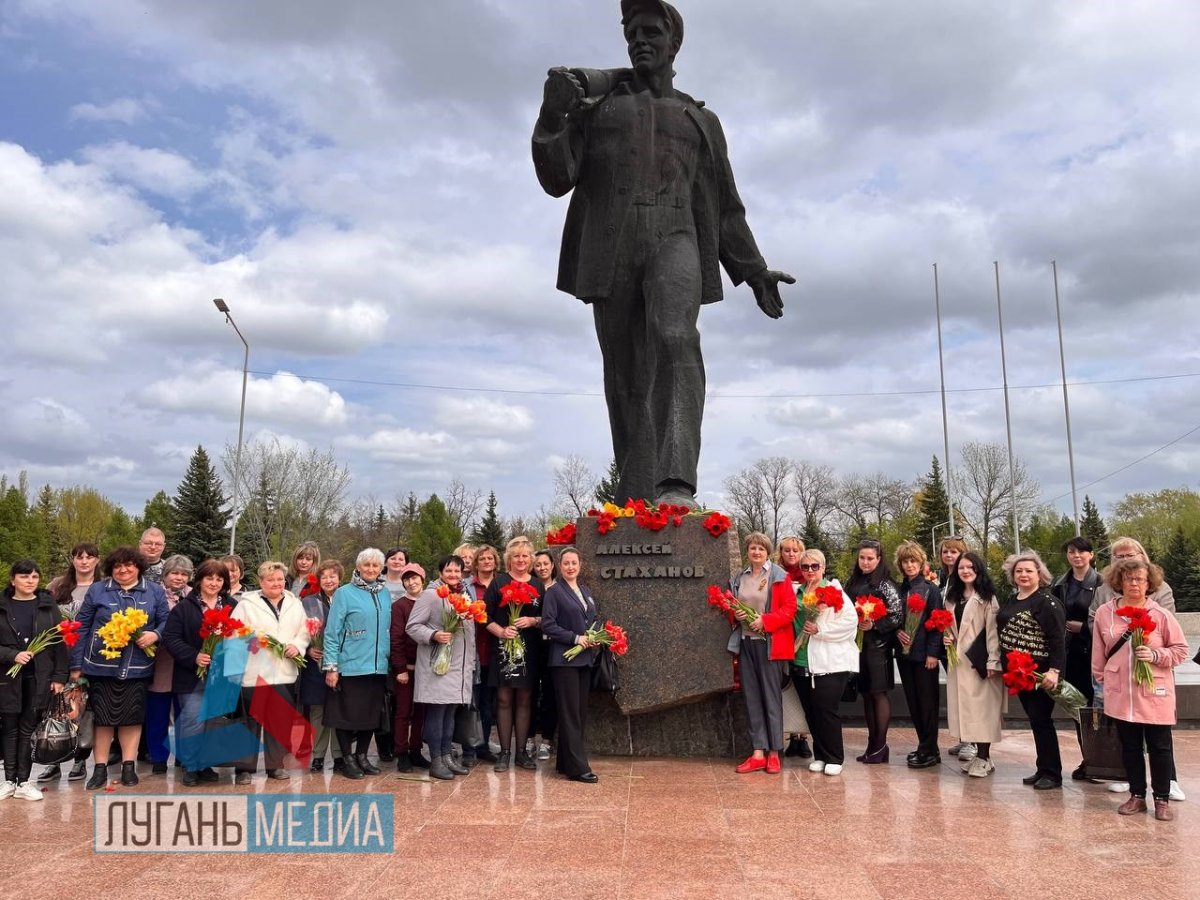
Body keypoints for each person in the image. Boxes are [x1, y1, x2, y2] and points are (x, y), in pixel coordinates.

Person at [532, 0, 793, 506]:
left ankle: (675, 484)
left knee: (674, 338)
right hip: (611, 247)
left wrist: (753, 269)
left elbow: (724, 207)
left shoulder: (701, 120)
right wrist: (552, 113)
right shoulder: (598, 108)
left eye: (651, 32)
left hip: (677, 240)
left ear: (674, 43)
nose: (640, 41)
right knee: (625, 376)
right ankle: (635, 499)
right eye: (632, 33)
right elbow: (556, 176)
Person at [1087, 536, 1185, 802]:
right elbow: (1098, 643)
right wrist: (1102, 680)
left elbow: (1177, 643)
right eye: (1119, 557)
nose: (1133, 582)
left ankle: (1165, 790)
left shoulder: (1159, 602)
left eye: (1139, 579)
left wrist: (1154, 653)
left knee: (1158, 742)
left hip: (1152, 680)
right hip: (1120, 683)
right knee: (1128, 742)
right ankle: (1135, 791)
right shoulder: (1105, 603)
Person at [70, 546, 170, 790]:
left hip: (137, 666)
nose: (123, 570)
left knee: (132, 718)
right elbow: (81, 627)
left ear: (138, 567)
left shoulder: (154, 591)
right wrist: (76, 665)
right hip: (101, 666)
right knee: (102, 720)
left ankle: (128, 766)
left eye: (129, 565)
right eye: (117, 566)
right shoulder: (98, 589)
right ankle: (100, 769)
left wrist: (154, 634)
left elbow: (167, 621)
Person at [161, 558, 237, 787]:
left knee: (213, 722)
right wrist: (194, 656)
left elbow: (244, 635)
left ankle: (205, 765)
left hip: (222, 677)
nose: (214, 583)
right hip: (191, 677)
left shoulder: (232, 605)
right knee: (193, 721)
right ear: (199, 580)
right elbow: (171, 639)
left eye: (219, 579)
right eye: (209, 578)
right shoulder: (185, 607)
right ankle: (191, 765)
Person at [233, 560, 308, 784]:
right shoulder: (247, 603)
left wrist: (298, 646)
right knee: (250, 721)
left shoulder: (295, 603)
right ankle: (244, 768)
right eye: (270, 579)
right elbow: (234, 631)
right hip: (254, 670)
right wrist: (251, 642)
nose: (276, 583)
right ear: (261, 582)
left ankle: (275, 765)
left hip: (284, 669)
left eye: (279, 579)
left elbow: (303, 631)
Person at [728, 532, 797, 775]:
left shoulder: (779, 576)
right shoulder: (739, 577)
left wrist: (765, 621)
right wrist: (734, 615)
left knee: (771, 699)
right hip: (746, 644)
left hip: (770, 645)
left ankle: (775, 752)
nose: (756, 552)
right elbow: (733, 606)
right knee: (752, 698)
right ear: (747, 551)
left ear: (768, 551)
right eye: (752, 548)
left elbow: (790, 609)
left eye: (761, 548)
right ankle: (758, 751)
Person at [0, 560, 69, 801]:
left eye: (34, 577)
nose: (30, 581)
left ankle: (24, 782)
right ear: (13, 580)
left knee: (28, 728)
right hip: (7, 677)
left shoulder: (47, 606)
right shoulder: (2, 605)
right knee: (9, 728)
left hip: (39, 676)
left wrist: (60, 677)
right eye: (24, 576)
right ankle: (8, 780)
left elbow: (59, 642)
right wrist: (11, 655)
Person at [999, 550, 1067, 790]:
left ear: (1039, 574)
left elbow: (1058, 639)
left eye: (1029, 570)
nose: (1024, 575)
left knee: (1042, 720)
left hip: (1041, 674)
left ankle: (1052, 773)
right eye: (1019, 571)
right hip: (1019, 675)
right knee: (1036, 721)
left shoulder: (1047, 602)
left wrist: (1055, 671)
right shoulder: (1012, 599)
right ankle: (1043, 768)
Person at [407, 555, 478, 781]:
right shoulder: (431, 595)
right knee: (437, 713)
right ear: (440, 572)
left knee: (449, 713)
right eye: (449, 571)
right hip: (438, 665)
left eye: (457, 571)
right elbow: (413, 626)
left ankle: (447, 756)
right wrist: (434, 635)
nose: (453, 575)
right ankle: (436, 759)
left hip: (458, 667)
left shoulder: (463, 596)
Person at [323, 549, 392, 780]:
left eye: (375, 565)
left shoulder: (384, 593)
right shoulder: (344, 593)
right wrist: (331, 666)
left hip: (377, 666)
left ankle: (362, 756)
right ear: (358, 567)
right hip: (351, 665)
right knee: (346, 714)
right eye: (367, 565)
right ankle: (348, 758)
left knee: (371, 715)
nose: (371, 569)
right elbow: (332, 632)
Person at [791, 550, 856, 777]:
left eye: (814, 566)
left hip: (828, 663)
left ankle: (834, 757)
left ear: (824, 567)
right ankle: (820, 755)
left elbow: (850, 621)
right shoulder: (798, 591)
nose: (810, 571)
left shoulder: (833, 590)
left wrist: (821, 630)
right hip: (800, 661)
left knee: (826, 711)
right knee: (811, 713)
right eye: (805, 567)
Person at [484, 537, 545, 772]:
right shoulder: (499, 582)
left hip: (529, 649)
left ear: (531, 559)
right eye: (517, 556)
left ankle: (521, 752)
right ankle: (505, 752)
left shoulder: (538, 585)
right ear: (510, 559)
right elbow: (483, 615)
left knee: (525, 699)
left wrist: (533, 620)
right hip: (503, 649)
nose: (521, 560)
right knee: (504, 699)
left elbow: (548, 618)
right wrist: (500, 631)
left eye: (525, 556)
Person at [40, 542, 99, 783]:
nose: (84, 561)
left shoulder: (103, 587)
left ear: (97, 560)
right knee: (55, 710)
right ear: (72, 559)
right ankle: (52, 760)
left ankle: (80, 760)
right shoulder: (57, 586)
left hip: (90, 657)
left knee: (82, 711)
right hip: (59, 656)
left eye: (89, 557)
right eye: (79, 557)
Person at [540, 547, 600, 783]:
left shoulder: (585, 591)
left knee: (579, 713)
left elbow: (592, 619)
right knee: (570, 713)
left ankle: (565, 762)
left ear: (580, 565)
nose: (570, 567)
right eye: (566, 563)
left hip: (584, 659)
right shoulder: (554, 592)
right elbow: (548, 624)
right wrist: (575, 638)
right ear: (559, 566)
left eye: (574, 563)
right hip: (564, 661)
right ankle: (577, 768)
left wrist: (595, 634)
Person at [942, 552, 1004, 778]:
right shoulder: (953, 596)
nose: (965, 571)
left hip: (980, 660)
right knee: (969, 710)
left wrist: (993, 660)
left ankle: (985, 757)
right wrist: (946, 637)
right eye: (961, 568)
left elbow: (993, 632)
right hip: (959, 661)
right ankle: (980, 756)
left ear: (979, 570)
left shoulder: (987, 597)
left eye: (970, 567)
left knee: (983, 710)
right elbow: (948, 626)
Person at [843, 539, 902, 764]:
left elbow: (896, 614)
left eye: (870, 558)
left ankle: (880, 745)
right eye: (862, 558)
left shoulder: (885, 584)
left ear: (879, 559)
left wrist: (875, 625)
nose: (865, 562)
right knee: (866, 695)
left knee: (878, 693)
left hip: (878, 646)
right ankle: (872, 744)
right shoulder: (854, 581)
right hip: (858, 645)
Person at [1050, 536, 1101, 780]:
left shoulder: (1102, 583)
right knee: (1079, 709)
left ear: (1091, 555)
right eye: (1071, 552)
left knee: (1096, 710)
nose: (1076, 556)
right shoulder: (1061, 584)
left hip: (1095, 654)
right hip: (1071, 656)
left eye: (1082, 552)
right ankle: (1089, 760)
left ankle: (1104, 760)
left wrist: (1083, 628)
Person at [893, 542, 943, 769]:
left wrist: (933, 653)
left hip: (925, 657)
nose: (910, 565)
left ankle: (930, 749)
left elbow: (937, 622)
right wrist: (897, 631)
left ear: (921, 563)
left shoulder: (930, 590)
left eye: (913, 561)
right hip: (905, 657)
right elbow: (894, 619)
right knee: (913, 703)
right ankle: (925, 745)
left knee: (927, 703)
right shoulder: (900, 589)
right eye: (906, 561)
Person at [146, 554, 192, 775]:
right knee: (158, 713)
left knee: (185, 713)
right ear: (165, 575)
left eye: (184, 574)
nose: (179, 578)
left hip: (186, 664)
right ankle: (158, 757)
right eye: (174, 573)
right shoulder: (153, 594)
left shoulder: (193, 596)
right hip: (160, 662)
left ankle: (183, 756)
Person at [298, 559, 344, 774]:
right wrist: (308, 649)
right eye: (324, 576)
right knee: (318, 711)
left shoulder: (346, 599)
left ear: (339, 578)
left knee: (338, 710)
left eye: (332, 576)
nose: (328, 580)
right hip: (316, 664)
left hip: (343, 663)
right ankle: (317, 755)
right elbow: (298, 631)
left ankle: (339, 755)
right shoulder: (307, 602)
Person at [936, 536, 973, 763]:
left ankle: (972, 740)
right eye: (945, 552)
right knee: (957, 691)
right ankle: (963, 735)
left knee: (968, 691)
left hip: (963, 642)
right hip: (947, 641)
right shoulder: (944, 578)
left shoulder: (966, 579)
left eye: (954, 552)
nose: (949, 556)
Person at [389, 563, 427, 772]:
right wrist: (400, 668)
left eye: (415, 578)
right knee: (403, 711)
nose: (411, 583)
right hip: (407, 668)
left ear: (422, 580)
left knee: (421, 711)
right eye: (407, 579)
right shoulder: (400, 606)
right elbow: (396, 638)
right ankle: (401, 752)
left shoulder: (430, 601)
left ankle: (416, 749)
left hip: (426, 668)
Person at [777, 535, 812, 759]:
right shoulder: (776, 575)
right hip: (782, 638)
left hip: (805, 642)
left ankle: (804, 738)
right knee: (787, 691)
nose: (791, 554)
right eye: (787, 550)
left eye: (795, 551)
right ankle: (791, 737)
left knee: (805, 691)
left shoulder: (809, 575)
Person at [469, 544, 500, 763]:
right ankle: (469, 749)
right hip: (472, 652)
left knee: (488, 705)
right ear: (476, 563)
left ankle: (484, 746)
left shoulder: (502, 584)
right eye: (482, 559)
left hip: (495, 652)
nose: (487, 562)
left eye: (490, 558)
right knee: (472, 704)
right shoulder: (467, 586)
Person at [530, 549, 559, 761]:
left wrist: (538, 621)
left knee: (550, 694)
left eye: (545, 563)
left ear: (552, 565)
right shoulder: (529, 587)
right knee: (528, 693)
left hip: (553, 647)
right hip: (531, 645)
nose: (542, 568)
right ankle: (529, 738)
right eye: (538, 564)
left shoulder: (561, 588)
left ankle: (547, 740)